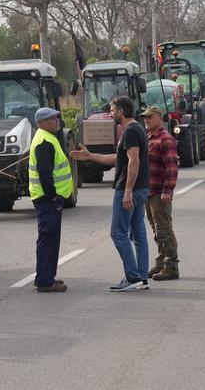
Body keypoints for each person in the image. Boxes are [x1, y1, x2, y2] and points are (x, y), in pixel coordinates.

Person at [71, 96, 150, 292]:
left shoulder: (131, 131)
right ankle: (141, 276)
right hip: (140, 188)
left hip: (129, 189)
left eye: (113, 110)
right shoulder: (136, 128)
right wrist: (90, 156)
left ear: (122, 111)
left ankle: (132, 277)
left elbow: (134, 162)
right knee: (138, 233)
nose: (110, 113)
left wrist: (128, 191)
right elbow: (118, 158)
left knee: (118, 233)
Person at [28, 107, 74, 292]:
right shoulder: (45, 141)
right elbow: (44, 173)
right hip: (48, 199)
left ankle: (47, 277)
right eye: (53, 119)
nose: (57, 121)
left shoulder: (46, 138)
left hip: (48, 198)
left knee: (51, 238)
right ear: (44, 123)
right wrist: (53, 195)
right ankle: (45, 280)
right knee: (48, 238)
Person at [141, 106, 180, 281]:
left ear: (159, 118)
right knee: (156, 229)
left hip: (159, 192)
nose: (146, 120)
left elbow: (172, 167)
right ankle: (161, 262)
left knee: (164, 230)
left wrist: (168, 191)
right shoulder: (149, 138)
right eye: (145, 118)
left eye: (150, 117)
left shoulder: (165, 139)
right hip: (149, 192)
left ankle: (171, 267)